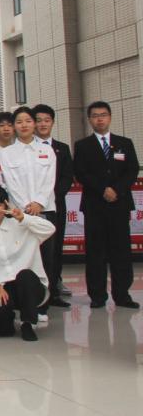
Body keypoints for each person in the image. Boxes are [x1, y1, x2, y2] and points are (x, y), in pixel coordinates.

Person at [73, 101, 139, 309]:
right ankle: (97, 295)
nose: (99, 119)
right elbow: (81, 173)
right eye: (95, 115)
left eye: (103, 115)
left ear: (110, 117)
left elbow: (132, 170)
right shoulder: (82, 145)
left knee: (121, 251)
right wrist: (103, 189)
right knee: (96, 252)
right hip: (94, 204)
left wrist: (116, 190)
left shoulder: (124, 143)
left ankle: (122, 295)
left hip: (119, 204)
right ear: (89, 119)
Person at [0, 107, 58, 320]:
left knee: (46, 259)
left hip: (44, 211)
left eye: (28, 121)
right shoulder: (6, 153)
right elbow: (9, 182)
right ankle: (25, 304)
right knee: (23, 258)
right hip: (19, 214)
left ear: (34, 124)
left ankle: (42, 305)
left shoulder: (47, 150)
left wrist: (39, 203)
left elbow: (50, 179)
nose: (24, 125)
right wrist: (26, 206)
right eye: (19, 122)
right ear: (14, 126)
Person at [0, 187, 54, 341]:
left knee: (25, 275)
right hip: (2, 289)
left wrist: (23, 218)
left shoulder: (21, 225)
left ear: (6, 206)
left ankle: (28, 323)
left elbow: (50, 228)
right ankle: (7, 318)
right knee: (4, 330)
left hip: (30, 287)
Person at [33, 104, 73, 306]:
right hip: (30, 208)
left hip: (55, 206)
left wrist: (50, 197)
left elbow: (66, 177)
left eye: (46, 120)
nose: (42, 124)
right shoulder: (27, 148)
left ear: (53, 122)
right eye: (38, 120)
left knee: (55, 249)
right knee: (34, 250)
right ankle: (35, 294)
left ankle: (54, 292)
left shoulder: (62, 148)